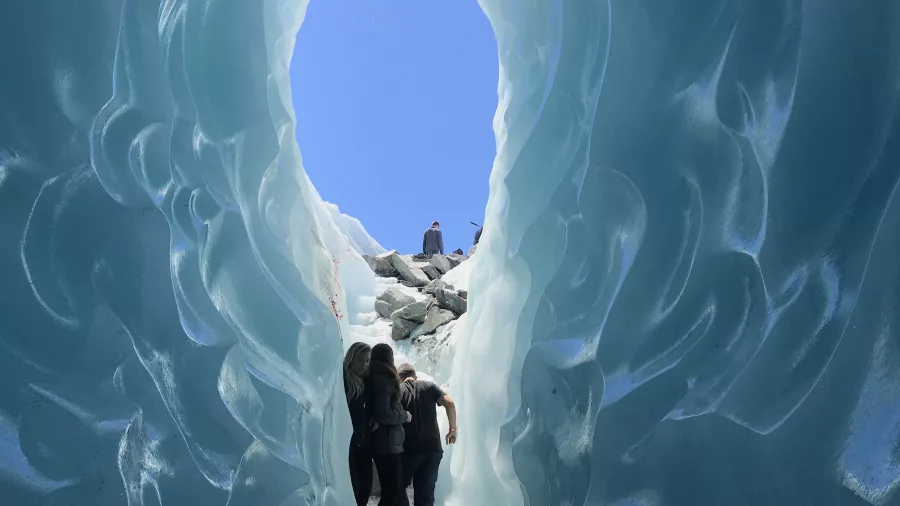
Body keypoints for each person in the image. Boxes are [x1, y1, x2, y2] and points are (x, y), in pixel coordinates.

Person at [397, 363, 457, 506]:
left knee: (397, 490)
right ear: (415, 376)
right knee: (425, 496)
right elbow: (449, 403)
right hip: (432, 450)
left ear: (399, 378)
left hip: (408, 451)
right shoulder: (429, 386)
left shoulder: (398, 391)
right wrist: (453, 429)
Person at [366, 344, 412, 506]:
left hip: (382, 441)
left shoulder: (371, 376)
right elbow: (383, 413)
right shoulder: (384, 378)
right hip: (387, 442)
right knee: (392, 492)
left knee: (396, 492)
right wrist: (403, 415)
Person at [344, 342, 374, 506]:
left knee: (364, 488)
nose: (364, 364)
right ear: (351, 359)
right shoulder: (344, 382)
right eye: (360, 359)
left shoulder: (365, 383)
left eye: (367, 361)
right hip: (348, 445)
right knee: (355, 489)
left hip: (362, 443)